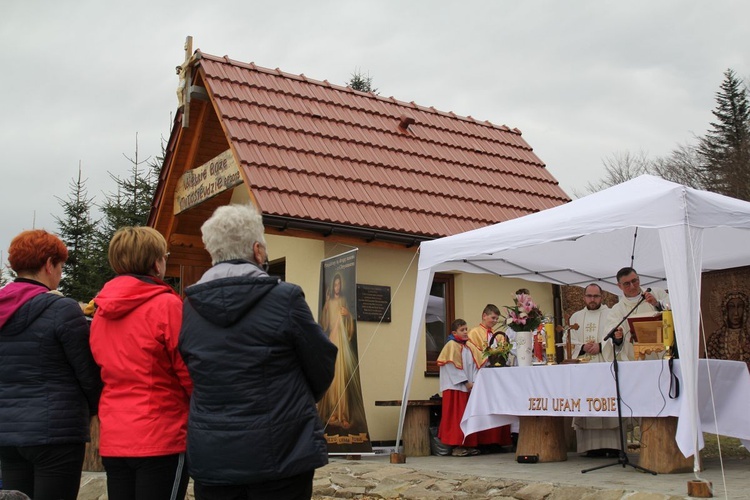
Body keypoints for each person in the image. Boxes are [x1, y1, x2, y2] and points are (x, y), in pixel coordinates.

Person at [179, 204, 337, 500]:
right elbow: (322, 362)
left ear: (213, 253)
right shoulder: (285, 298)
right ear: (258, 251)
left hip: (214, 454)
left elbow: (191, 367)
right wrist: (294, 399)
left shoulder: (189, 307)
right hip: (281, 450)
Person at [89, 226, 192, 500]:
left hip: (115, 436)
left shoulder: (101, 311)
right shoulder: (168, 305)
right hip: (161, 434)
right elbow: (188, 369)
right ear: (156, 262)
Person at [0, 230, 101, 500]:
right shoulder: (62, 310)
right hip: (57, 432)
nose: (60, 274)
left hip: (7, 433)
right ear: (48, 264)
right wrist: (93, 408)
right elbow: (87, 372)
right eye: (60, 267)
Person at [563, 284, 619, 457]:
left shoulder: (612, 314)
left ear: (602, 297)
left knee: (607, 403)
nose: (592, 299)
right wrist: (582, 347)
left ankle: (614, 447)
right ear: (583, 297)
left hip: (604, 367)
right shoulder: (576, 317)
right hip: (584, 369)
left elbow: (619, 338)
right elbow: (567, 340)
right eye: (589, 296)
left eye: (596, 296)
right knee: (587, 402)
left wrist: (601, 346)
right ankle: (590, 447)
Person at [318, 272, 366, 431]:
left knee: (343, 378)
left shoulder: (343, 301)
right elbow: (324, 325)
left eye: (339, 284)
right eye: (335, 284)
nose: (337, 287)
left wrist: (349, 315)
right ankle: (332, 413)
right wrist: (325, 305)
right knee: (332, 380)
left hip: (342, 342)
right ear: (332, 286)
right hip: (332, 340)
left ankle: (343, 415)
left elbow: (348, 321)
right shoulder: (329, 302)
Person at [466, 304, 513, 449]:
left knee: (496, 406)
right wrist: (489, 357)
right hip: (482, 374)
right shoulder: (474, 333)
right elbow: (472, 353)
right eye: (492, 317)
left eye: (496, 319)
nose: (494, 321)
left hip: (495, 376)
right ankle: (484, 441)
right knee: (484, 407)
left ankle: (496, 440)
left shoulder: (495, 334)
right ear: (484, 315)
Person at [437, 319, 483, 456]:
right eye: (462, 330)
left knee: (467, 416)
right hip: (455, 388)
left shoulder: (469, 346)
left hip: (469, 387)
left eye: (466, 329)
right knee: (456, 417)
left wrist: (474, 381)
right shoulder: (451, 345)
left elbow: (477, 363)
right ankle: (456, 446)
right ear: (454, 332)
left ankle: (467, 444)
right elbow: (452, 367)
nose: (465, 332)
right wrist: (465, 382)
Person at [604, 267, 669, 361]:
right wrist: (618, 337)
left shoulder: (656, 293)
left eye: (634, 281)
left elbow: (674, 310)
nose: (632, 286)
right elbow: (611, 329)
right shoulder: (617, 310)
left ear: (639, 278)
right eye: (626, 284)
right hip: (637, 361)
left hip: (664, 355)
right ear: (619, 286)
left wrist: (656, 303)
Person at [706, 291, 750, 371]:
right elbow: (709, 368)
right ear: (725, 310)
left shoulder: (748, 338)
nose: (736, 313)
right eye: (731, 307)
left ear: (745, 310)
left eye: (739, 306)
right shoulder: (715, 339)